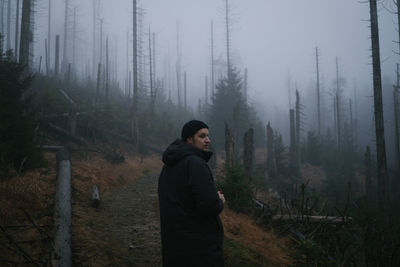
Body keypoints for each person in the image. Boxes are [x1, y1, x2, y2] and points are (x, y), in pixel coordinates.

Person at [158, 120, 225, 267]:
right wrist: (219, 200)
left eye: (208, 136)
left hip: (175, 241)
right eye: (202, 136)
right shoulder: (195, 163)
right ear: (189, 139)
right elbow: (210, 206)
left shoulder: (169, 164)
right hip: (199, 246)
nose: (207, 140)